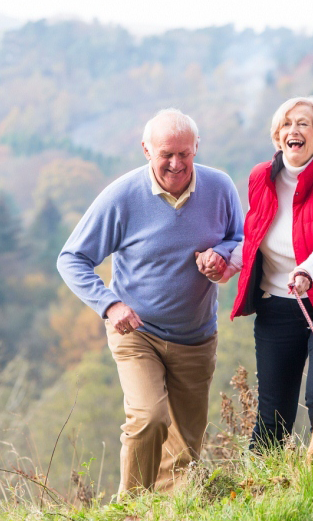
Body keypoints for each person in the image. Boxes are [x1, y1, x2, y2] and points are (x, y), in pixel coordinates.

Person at [57, 108, 243, 494]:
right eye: (166, 154)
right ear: (146, 150)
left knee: (186, 449)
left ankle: (164, 510)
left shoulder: (221, 187)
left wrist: (222, 255)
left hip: (196, 336)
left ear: (197, 148)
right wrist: (110, 305)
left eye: (185, 153)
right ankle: (132, 507)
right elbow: (71, 259)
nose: (176, 164)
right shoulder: (122, 196)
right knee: (149, 417)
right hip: (136, 331)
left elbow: (240, 239)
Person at [203, 96, 313, 449]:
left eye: (303, 124)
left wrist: (306, 271)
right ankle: (260, 488)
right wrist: (226, 264)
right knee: (273, 413)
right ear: (277, 135)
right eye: (286, 124)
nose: (293, 130)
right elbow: (255, 235)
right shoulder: (261, 177)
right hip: (277, 306)